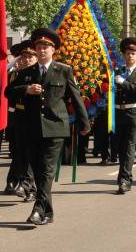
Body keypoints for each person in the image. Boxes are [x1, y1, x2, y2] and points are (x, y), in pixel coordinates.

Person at [5, 27, 90, 224]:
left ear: (53, 50)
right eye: (39, 46)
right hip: (31, 127)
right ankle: (48, 212)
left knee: (47, 170)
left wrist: (84, 122)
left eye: (46, 47)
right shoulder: (26, 72)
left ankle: (38, 209)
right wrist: (26, 89)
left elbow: (76, 98)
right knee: (36, 167)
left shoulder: (64, 70)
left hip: (55, 128)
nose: (42, 50)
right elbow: (8, 92)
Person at [113, 37, 136, 194]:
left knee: (129, 147)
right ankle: (126, 177)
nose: (130, 56)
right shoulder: (116, 72)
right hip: (117, 112)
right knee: (120, 148)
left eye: (133, 53)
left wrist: (123, 83)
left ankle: (124, 180)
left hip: (134, 113)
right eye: (127, 53)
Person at [5, 40, 37, 201]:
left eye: (30, 56)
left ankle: (26, 185)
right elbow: (8, 93)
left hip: (36, 120)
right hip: (17, 117)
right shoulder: (16, 75)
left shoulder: (40, 73)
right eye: (23, 56)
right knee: (18, 152)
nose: (26, 59)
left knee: (31, 154)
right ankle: (18, 182)